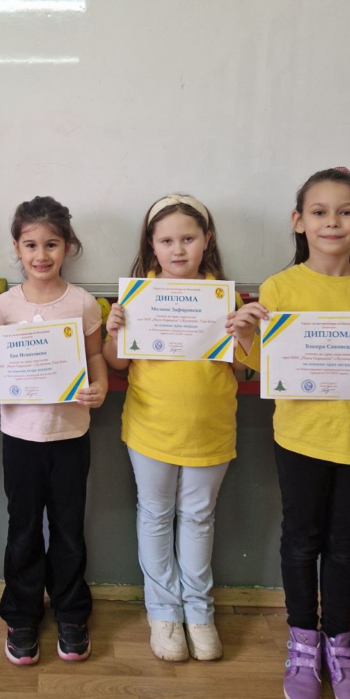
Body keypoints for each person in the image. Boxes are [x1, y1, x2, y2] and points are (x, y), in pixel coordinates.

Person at [228, 168, 350, 699]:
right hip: (300, 438)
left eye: (345, 211)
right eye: (319, 211)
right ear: (299, 221)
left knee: (344, 544)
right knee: (300, 541)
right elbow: (260, 365)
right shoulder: (279, 289)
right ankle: (303, 642)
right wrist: (245, 335)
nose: (332, 222)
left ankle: (340, 643)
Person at [0, 196, 107, 666]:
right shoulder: (5, 306)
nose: (41, 254)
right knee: (23, 527)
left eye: (52, 244)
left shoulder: (82, 302)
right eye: (31, 245)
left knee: (68, 528)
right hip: (19, 437)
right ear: (17, 248)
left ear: (68, 247)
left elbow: (94, 357)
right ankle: (22, 614)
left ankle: (71, 612)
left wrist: (100, 387)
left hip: (70, 434)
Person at [103, 194, 241, 663]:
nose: (178, 249)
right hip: (151, 428)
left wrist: (243, 333)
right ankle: (164, 611)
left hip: (210, 430)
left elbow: (243, 368)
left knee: (199, 517)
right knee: (155, 515)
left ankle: (199, 611)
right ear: (151, 245)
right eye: (166, 241)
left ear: (207, 240)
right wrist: (115, 330)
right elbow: (117, 363)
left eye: (188, 238)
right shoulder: (138, 295)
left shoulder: (224, 296)